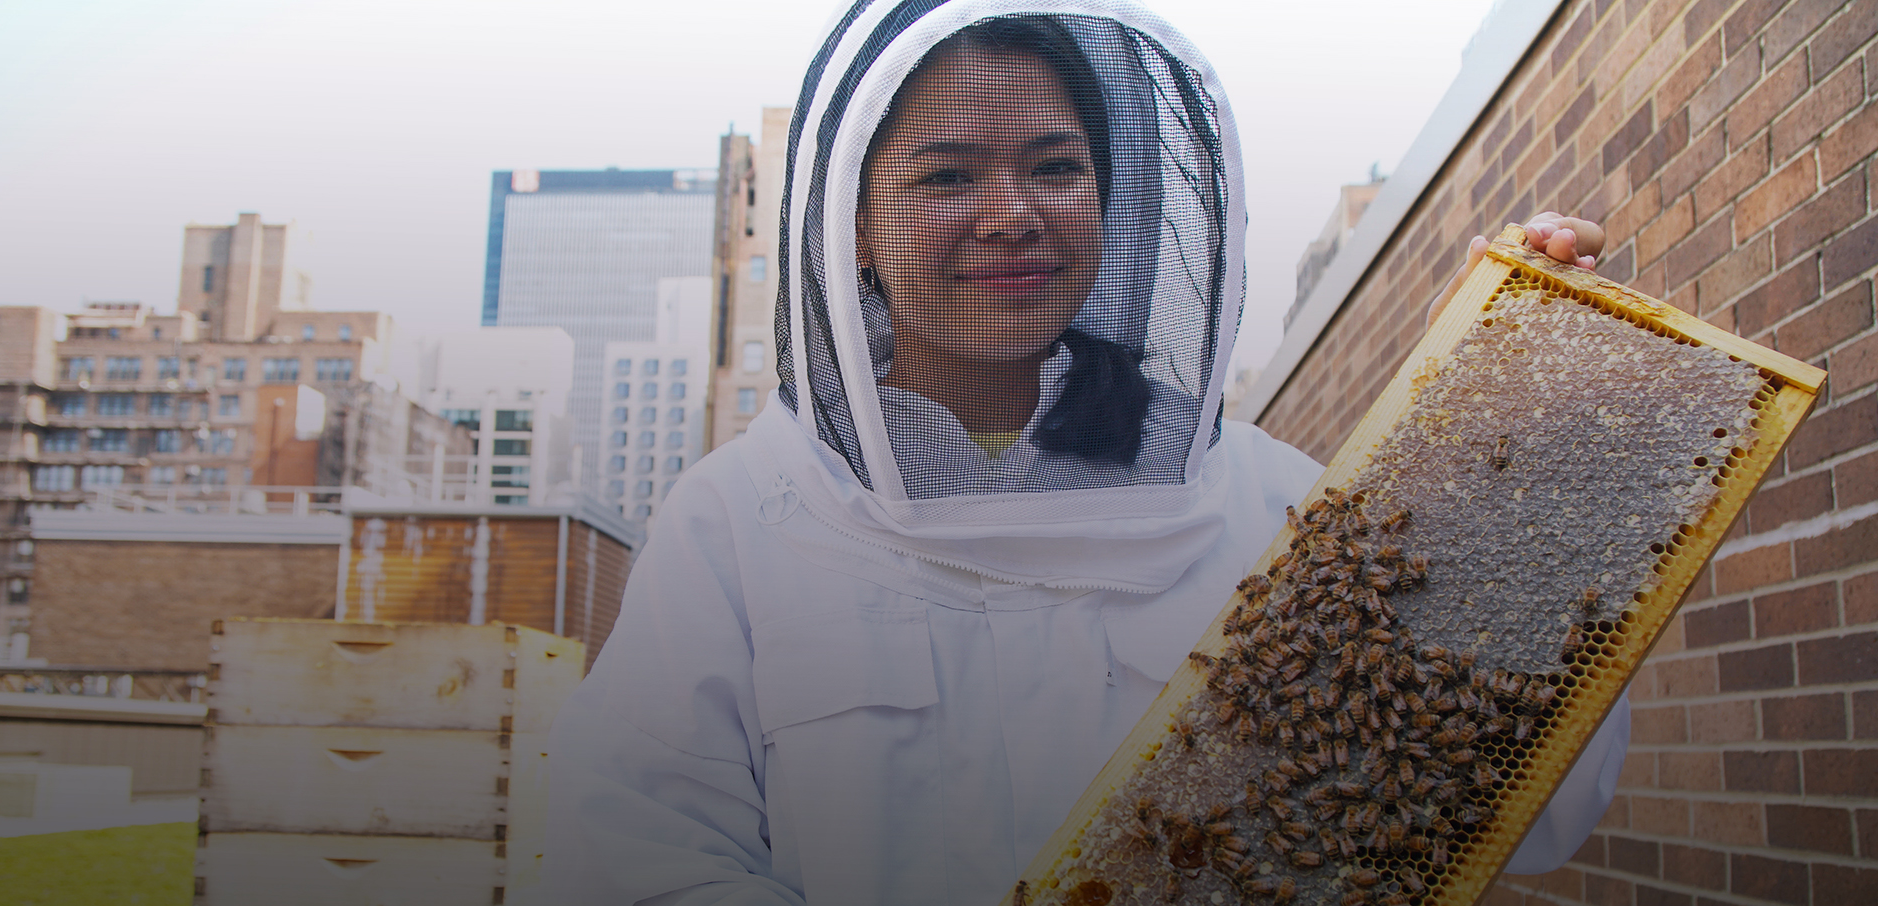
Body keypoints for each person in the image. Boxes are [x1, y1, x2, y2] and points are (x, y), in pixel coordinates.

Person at [541, 3, 1620, 904]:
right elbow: (638, 856)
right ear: (853, 226)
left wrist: (1491, 448)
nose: (1011, 215)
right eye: (946, 176)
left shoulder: (1270, 503)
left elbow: (1513, 803)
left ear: (1109, 201)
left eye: (1055, 166)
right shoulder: (736, 519)